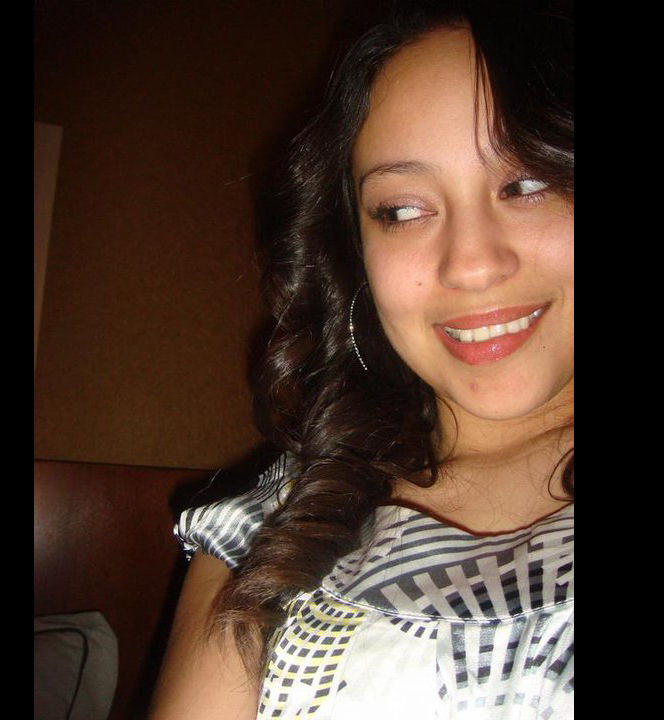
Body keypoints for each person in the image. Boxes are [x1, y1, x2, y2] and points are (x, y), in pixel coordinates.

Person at [148, 1, 573, 718]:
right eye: (402, 209)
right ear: (355, 253)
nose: (471, 264)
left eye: (528, 182)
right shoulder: (271, 532)